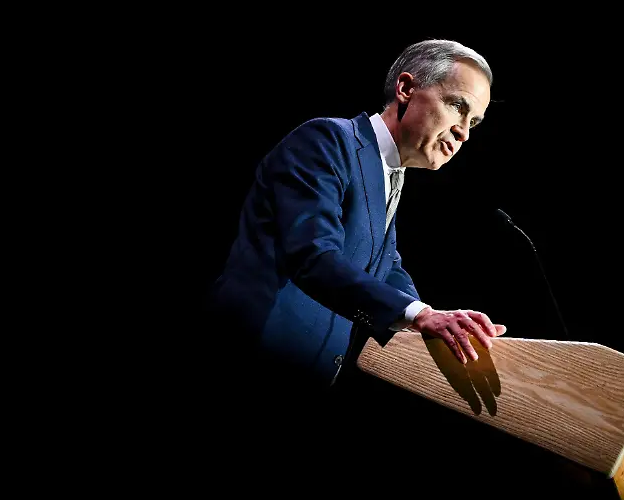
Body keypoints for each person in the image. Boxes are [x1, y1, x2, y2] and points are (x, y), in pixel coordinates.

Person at [208, 39, 507, 393]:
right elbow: (313, 254)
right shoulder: (327, 141)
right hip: (251, 362)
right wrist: (421, 316)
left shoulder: (391, 173)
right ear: (406, 88)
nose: (463, 132)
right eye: (457, 106)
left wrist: (435, 318)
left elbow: (383, 264)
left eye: (473, 122)